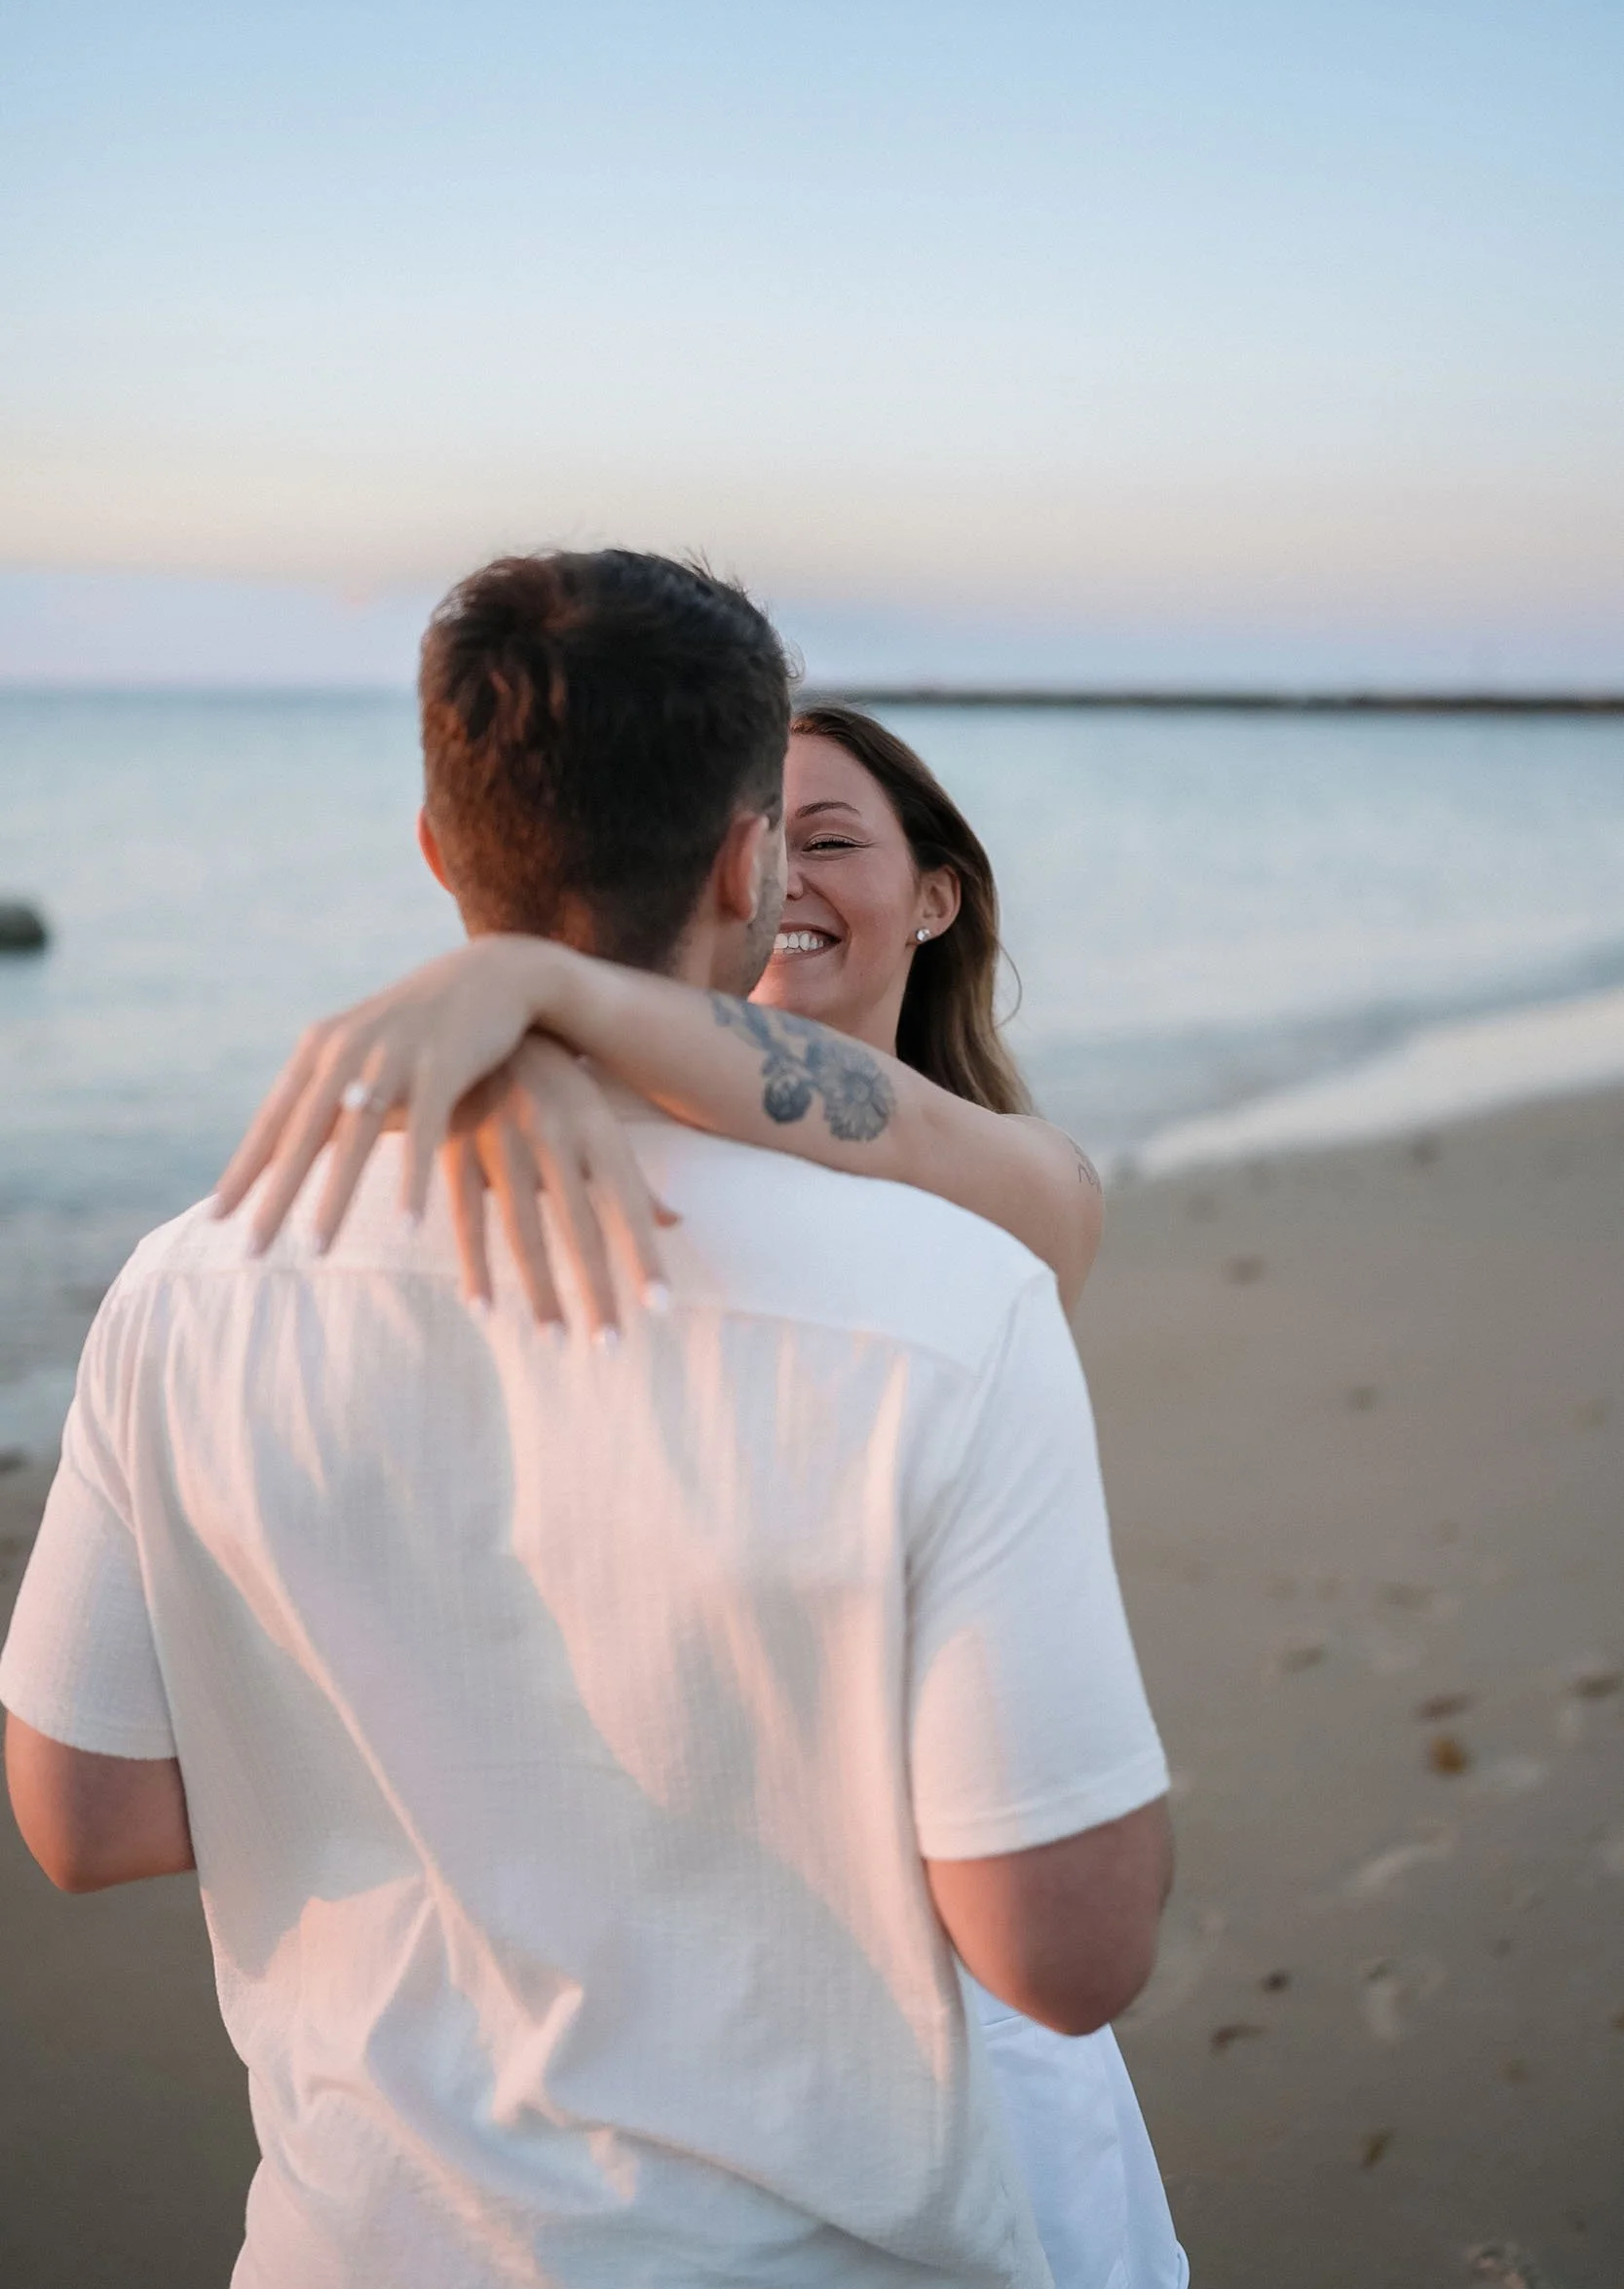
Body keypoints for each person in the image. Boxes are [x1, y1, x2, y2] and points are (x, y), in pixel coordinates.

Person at [3, 550, 1175, 2289]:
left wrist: (408, 1757)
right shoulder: (935, 1313)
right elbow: (1063, 1950)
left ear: (432, 845)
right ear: (742, 856)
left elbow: (84, 1818)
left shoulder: (190, 1284)